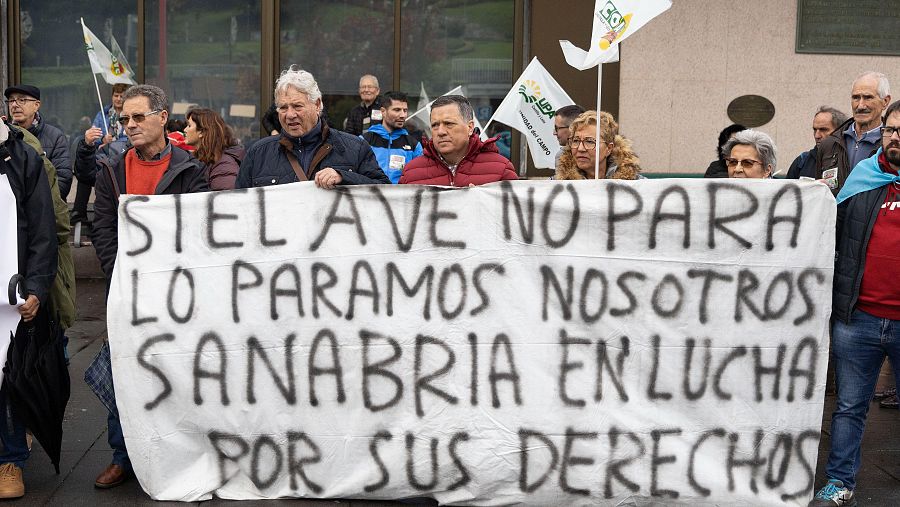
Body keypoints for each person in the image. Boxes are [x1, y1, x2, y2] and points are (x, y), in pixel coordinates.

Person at [90, 84, 209, 490]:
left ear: (162, 117)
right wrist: (118, 271)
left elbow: (199, 227)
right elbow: (102, 226)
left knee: (177, 370)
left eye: (139, 117)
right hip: (128, 291)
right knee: (125, 371)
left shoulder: (191, 169)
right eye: (125, 119)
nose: (130, 125)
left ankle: (182, 453)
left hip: (178, 293)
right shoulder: (111, 168)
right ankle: (122, 456)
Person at [809, 100, 900, 507]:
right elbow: (827, 233)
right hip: (858, 317)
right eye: (892, 129)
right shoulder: (864, 176)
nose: (896, 136)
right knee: (848, 407)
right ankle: (840, 482)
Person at [0, 119, 57, 499]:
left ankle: (10, 459)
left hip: (8, 292)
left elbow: (42, 228)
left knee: (8, 378)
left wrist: (36, 286)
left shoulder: (22, 158)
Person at [235, 66, 389, 189]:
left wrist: (344, 177)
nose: (290, 114)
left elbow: (384, 192)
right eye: (283, 107)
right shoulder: (257, 154)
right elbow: (240, 207)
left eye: (297, 106)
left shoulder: (355, 148)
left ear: (317, 104)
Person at [399, 95, 517, 186]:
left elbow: (515, 214)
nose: (440, 132)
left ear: (470, 127)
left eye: (448, 123)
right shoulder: (411, 173)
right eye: (435, 125)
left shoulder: (500, 169)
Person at [815, 72, 891, 193]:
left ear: (885, 101)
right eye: (856, 97)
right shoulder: (829, 145)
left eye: (868, 97)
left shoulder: (892, 144)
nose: (860, 105)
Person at [4, 85, 72, 199]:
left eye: (22, 100)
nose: (14, 105)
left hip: (43, 209)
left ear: (36, 105)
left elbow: (63, 181)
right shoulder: (4, 136)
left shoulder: (55, 137)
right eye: (11, 100)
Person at [554, 110, 641, 180]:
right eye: (576, 141)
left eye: (590, 142)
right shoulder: (557, 187)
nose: (580, 148)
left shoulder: (637, 185)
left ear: (609, 148)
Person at [361, 90, 423, 184]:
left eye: (405, 110)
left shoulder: (414, 145)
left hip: (402, 197)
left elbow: (419, 178)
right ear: (383, 112)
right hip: (371, 196)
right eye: (397, 110)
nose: (403, 115)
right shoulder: (363, 141)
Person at [185, 107, 245, 190]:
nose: (185, 130)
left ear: (201, 132)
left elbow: (225, 198)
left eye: (189, 125)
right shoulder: (204, 159)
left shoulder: (224, 165)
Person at [787, 106, 848, 179]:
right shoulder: (802, 161)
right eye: (815, 130)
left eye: (823, 130)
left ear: (840, 131)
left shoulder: (849, 160)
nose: (817, 136)